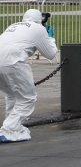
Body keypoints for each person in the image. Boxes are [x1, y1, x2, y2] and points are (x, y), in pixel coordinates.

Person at [0, 9, 57, 143]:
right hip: (13, 61)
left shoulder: (13, 25)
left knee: (12, 94)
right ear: (39, 20)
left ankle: (14, 126)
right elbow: (50, 54)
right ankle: (8, 129)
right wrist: (50, 38)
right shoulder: (38, 28)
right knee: (27, 98)